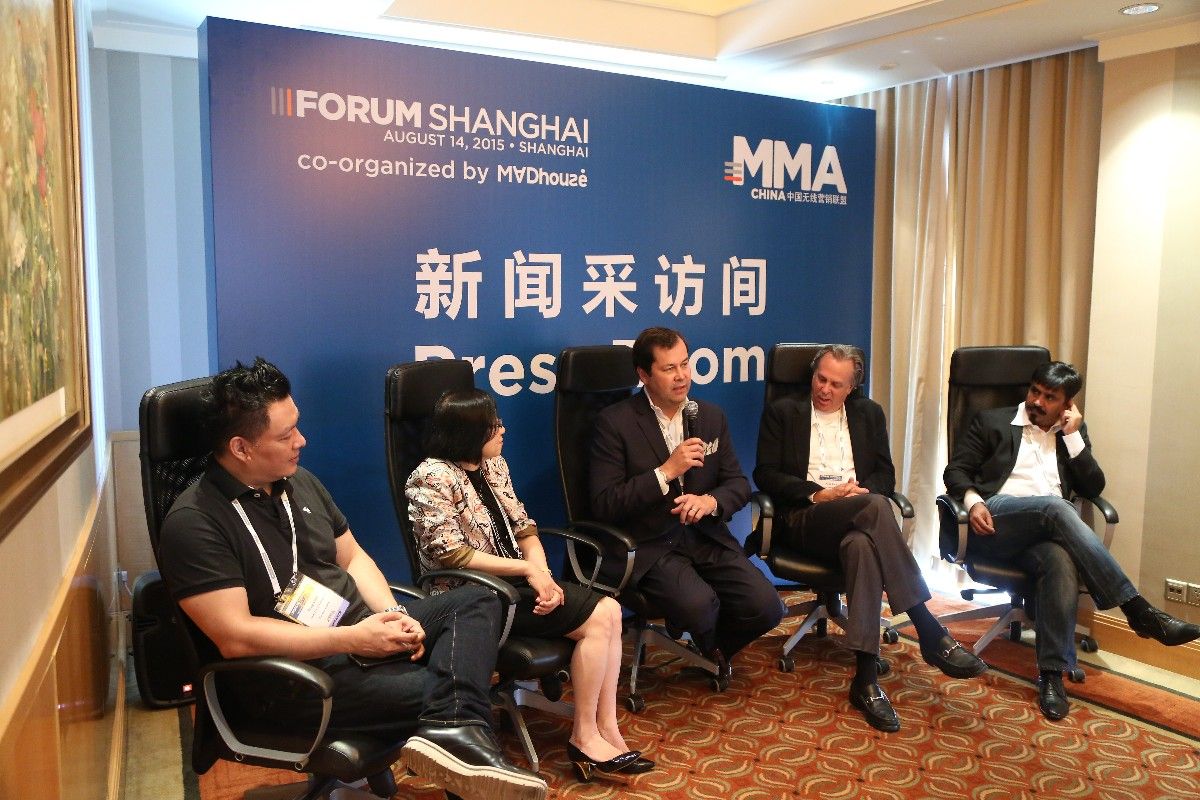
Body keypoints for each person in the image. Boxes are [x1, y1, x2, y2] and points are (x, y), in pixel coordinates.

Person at [156, 358, 547, 800]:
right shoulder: (195, 522)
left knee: (477, 599)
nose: (301, 441)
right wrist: (352, 640)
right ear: (241, 448)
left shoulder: (299, 481)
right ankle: (459, 738)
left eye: (297, 426)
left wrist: (394, 615)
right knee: (448, 694)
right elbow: (236, 637)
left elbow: (354, 557)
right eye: (286, 435)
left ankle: (454, 732)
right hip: (297, 678)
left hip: (358, 633)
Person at [406, 389, 653, 783]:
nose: (503, 429)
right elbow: (450, 554)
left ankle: (606, 728)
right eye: (494, 425)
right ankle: (585, 737)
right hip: (473, 597)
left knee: (609, 609)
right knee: (600, 617)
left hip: (518, 584)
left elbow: (524, 528)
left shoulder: (493, 464)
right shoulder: (431, 476)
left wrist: (543, 576)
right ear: (469, 433)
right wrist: (527, 571)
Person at [944, 360, 1200, 720]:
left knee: (1059, 559)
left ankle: (1051, 676)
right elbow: (955, 470)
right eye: (1035, 391)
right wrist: (973, 502)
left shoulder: (1071, 434)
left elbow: (1093, 487)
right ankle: (1138, 611)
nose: (1037, 401)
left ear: (1067, 405)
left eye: (1049, 397)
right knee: (1056, 508)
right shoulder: (992, 421)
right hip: (997, 520)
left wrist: (1073, 436)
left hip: (1045, 533)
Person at [753, 344, 987, 733]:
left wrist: (859, 493)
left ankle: (865, 680)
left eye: (836, 384)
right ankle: (927, 627)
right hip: (805, 519)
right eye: (821, 379)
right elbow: (766, 474)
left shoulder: (868, 414)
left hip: (857, 517)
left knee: (862, 542)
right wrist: (819, 494)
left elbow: (885, 475)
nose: (825, 389)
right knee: (876, 508)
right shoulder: (783, 412)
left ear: (852, 388)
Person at [588, 327, 784, 680]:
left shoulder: (709, 416)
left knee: (767, 607)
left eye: (685, 364)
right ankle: (707, 641)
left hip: (706, 536)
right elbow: (605, 503)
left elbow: (738, 484)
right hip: (650, 544)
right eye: (668, 369)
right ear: (644, 374)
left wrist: (710, 501)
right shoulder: (615, 423)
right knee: (699, 605)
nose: (681, 376)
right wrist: (665, 472)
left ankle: (713, 648)